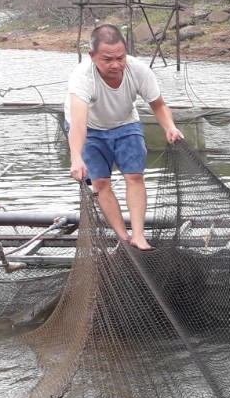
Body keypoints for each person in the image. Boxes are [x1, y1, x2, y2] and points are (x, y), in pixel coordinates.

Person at [65, 24, 185, 251]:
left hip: (125, 123)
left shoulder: (138, 70)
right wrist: (76, 157)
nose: (116, 64)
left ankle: (138, 235)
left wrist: (169, 127)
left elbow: (158, 105)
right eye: (107, 59)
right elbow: (78, 123)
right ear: (92, 56)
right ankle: (123, 237)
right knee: (100, 182)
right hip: (90, 129)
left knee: (134, 176)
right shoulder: (82, 77)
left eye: (120, 57)